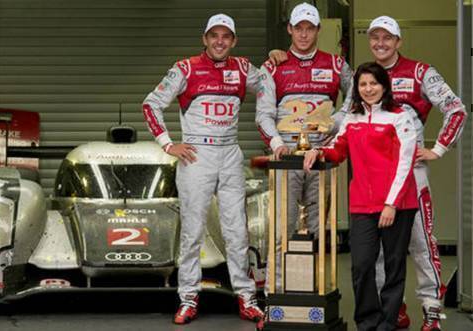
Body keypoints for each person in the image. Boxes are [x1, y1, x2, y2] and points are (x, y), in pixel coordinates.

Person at [270, 15, 468, 331]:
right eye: (375, 37)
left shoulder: (419, 72)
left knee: (420, 243)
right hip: (370, 180)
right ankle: (391, 310)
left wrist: (438, 149)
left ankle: (431, 308)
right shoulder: (364, 75)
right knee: (372, 254)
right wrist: (312, 136)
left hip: (408, 175)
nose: (380, 43)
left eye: (387, 38)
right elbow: (344, 118)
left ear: (398, 41)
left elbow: (456, 110)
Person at [142, 13, 264, 325]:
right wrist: (169, 144)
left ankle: (246, 298)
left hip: (230, 154)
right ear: (205, 39)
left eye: (226, 36)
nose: (220, 41)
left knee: (237, 229)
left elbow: (271, 86)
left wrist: (276, 60)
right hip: (197, 154)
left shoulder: (242, 68)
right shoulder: (185, 68)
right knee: (192, 231)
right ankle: (188, 298)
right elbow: (151, 104)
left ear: (233, 41)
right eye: (214, 35)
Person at [304, 62, 418, 331]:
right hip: (362, 205)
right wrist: (319, 152)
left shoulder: (400, 117)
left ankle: (387, 324)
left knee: (393, 266)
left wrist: (391, 204)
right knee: (362, 265)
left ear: (384, 86)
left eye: (373, 83)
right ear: (356, 88)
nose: (368, 89)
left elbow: (406, 161)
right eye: (362, 84)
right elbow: (338, 150)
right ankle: (367, 322)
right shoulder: (352, 118)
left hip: (397, 204)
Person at [255, 2, 353, 293]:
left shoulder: (337, 64)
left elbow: (356, 96)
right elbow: (263, 114)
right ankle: (277, 294)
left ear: (318, 30)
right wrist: (275, 143)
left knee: (316, 228)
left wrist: (334, 124)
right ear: (289, 29)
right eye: (299, 28)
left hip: (320, 156)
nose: (304, 34)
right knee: (281, 229)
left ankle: (310, 290)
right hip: (286, 157)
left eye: (310, 28)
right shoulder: (273, 66)